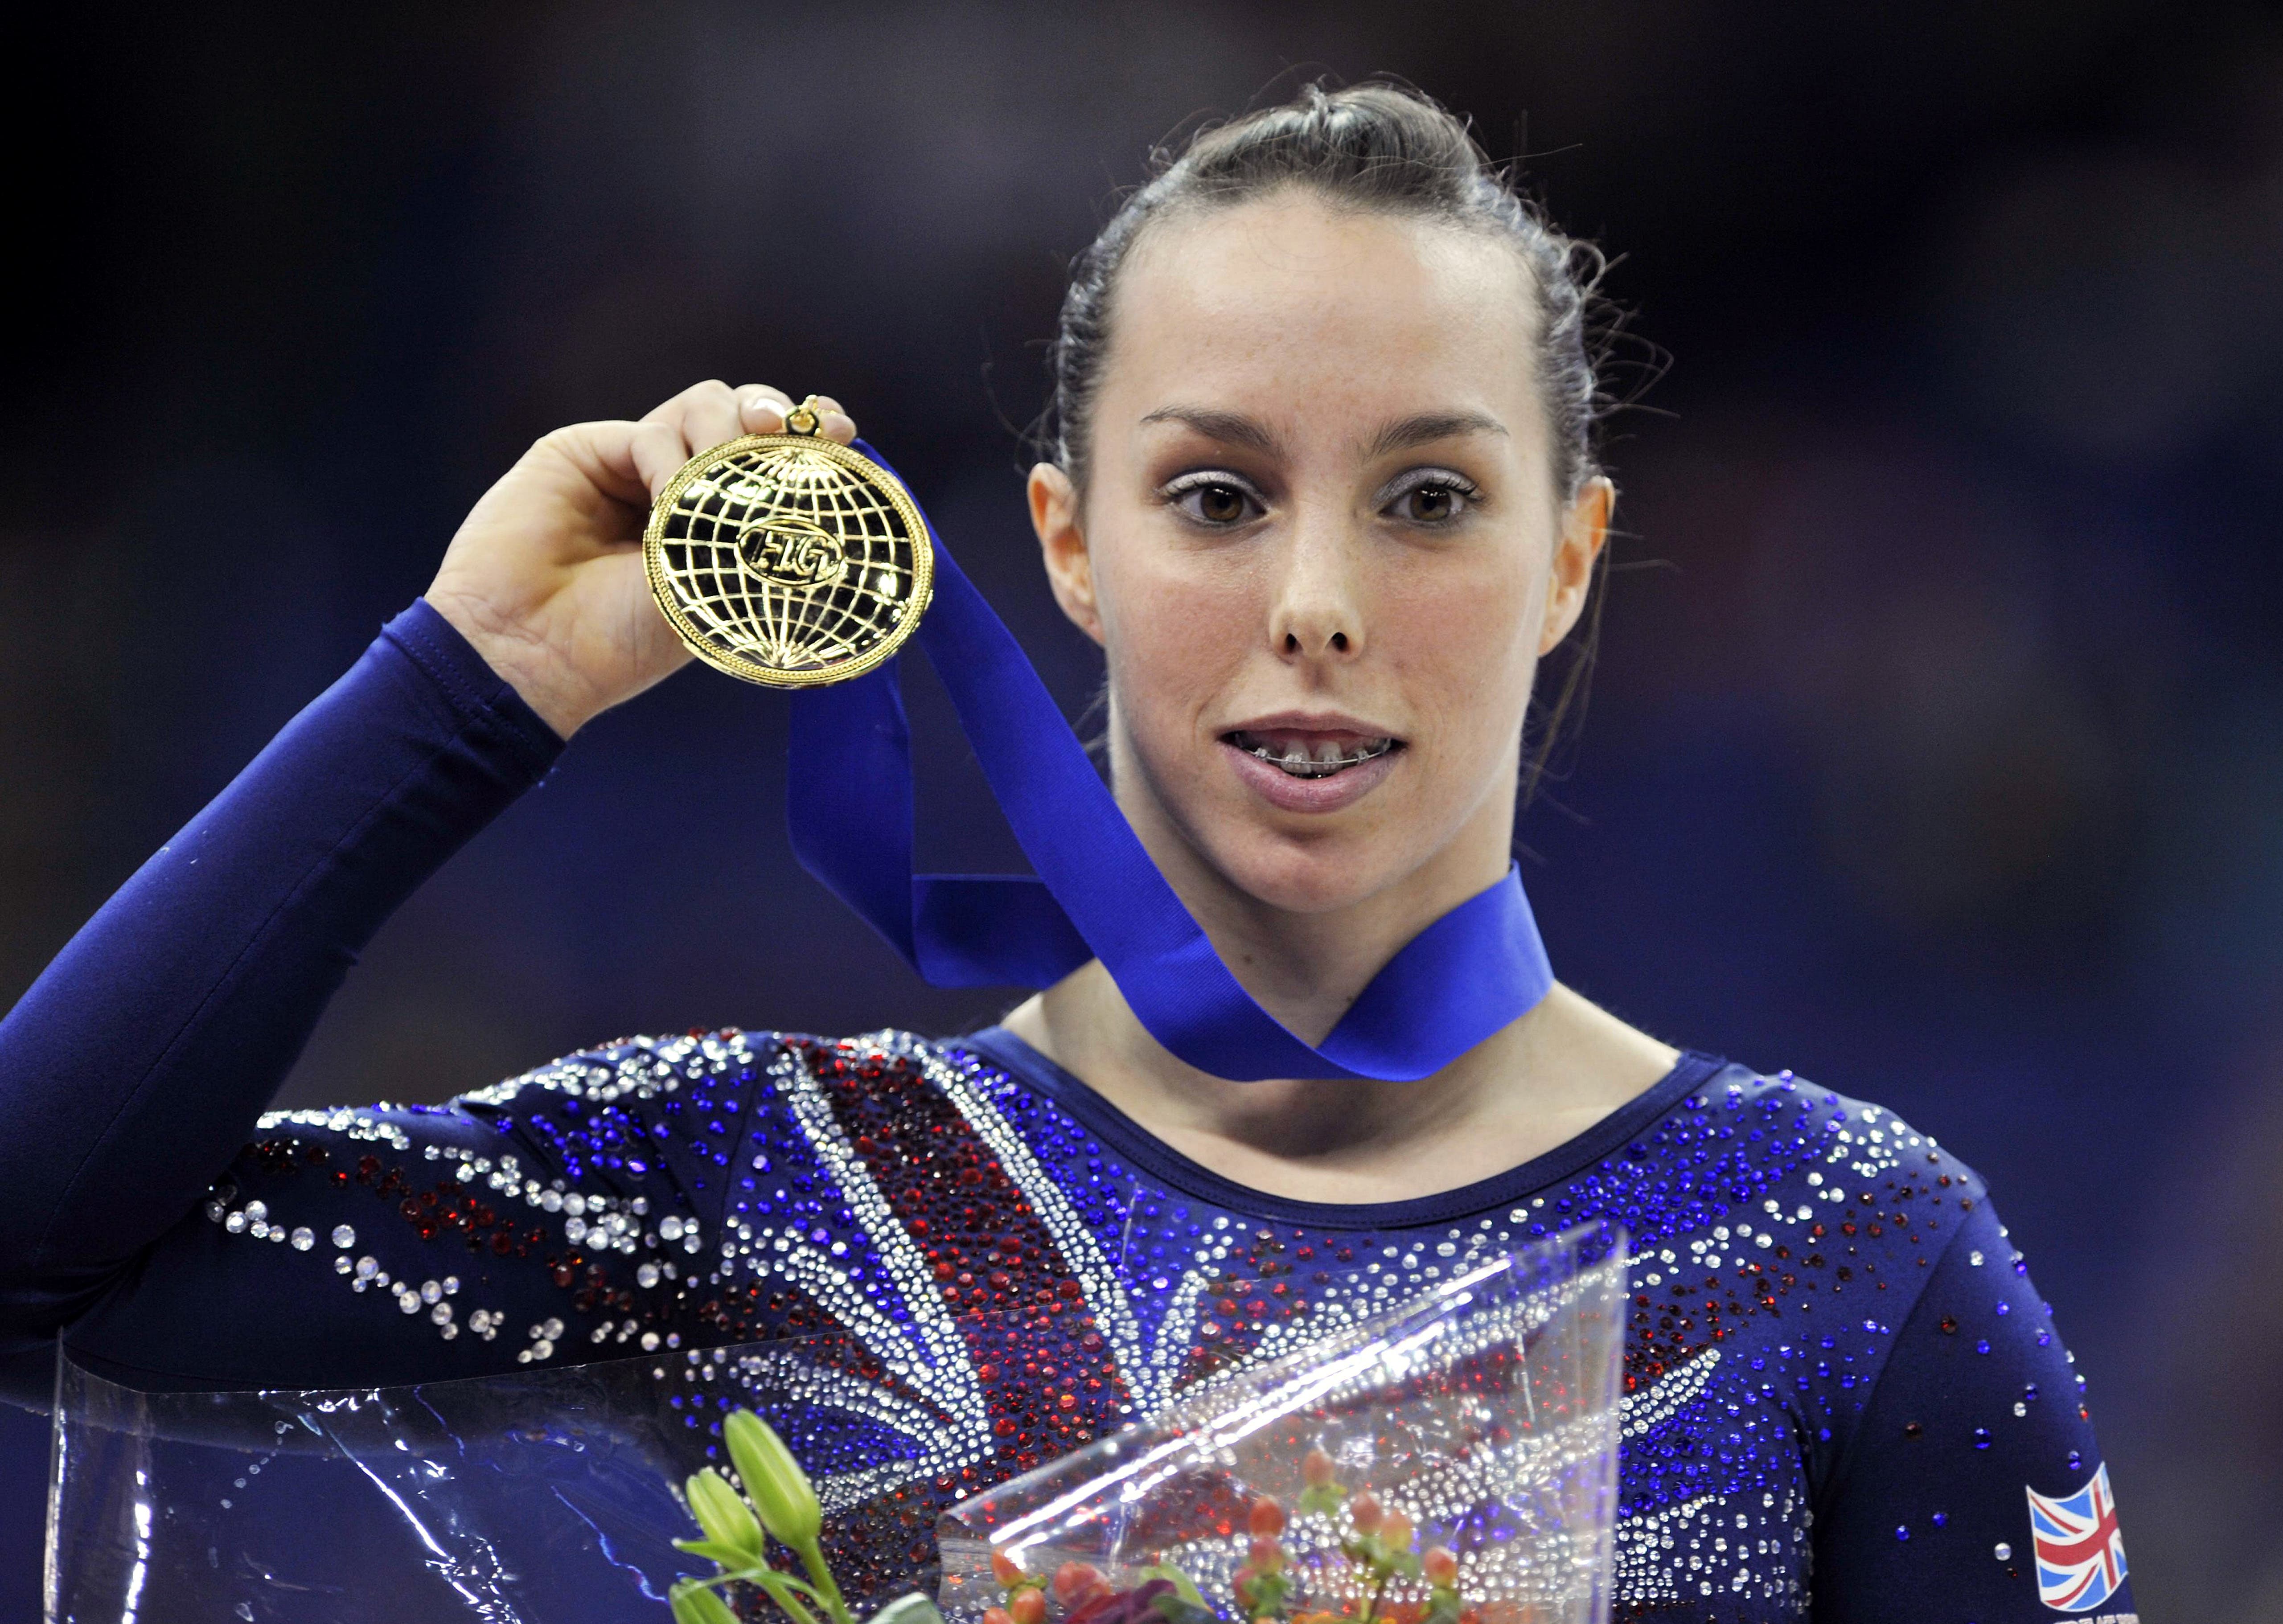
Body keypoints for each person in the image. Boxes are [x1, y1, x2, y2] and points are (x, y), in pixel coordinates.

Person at [0, 84, 2128, 1623]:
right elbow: (34, 1245)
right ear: (1064, 548)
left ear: (1569, 555)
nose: (1314, 595)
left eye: (1426, 499)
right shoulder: (779, 1179)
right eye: (1211, 494)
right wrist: (472, 682)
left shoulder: (1840, 1254)